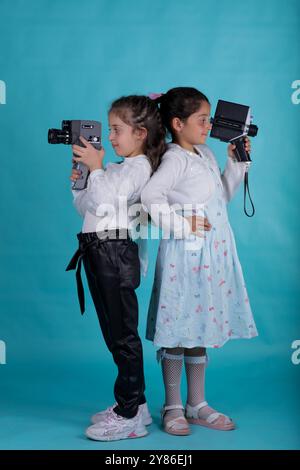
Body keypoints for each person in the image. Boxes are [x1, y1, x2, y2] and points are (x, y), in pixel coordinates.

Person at [141, 87, 258, 435]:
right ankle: (173, 405)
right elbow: (150, 196)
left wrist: (236, 162)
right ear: (178, 123)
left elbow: (221, 195)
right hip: (186, 256)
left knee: (199, 325)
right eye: (202, 120)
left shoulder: (204, 153)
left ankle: (197, 403)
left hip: (213, 254)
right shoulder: (175, 157)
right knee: (178, 328)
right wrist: (179, 223)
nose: (209, 125)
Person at [66, 95, 166, 441]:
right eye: (108, 129)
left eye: (116, 130)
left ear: (140, 133)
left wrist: (96, 169)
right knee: (114, 334)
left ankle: (128, 416)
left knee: (123, 336)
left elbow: (106, 200)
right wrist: (82, 178)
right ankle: (135, 403)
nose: (109, 137)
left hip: (114, 253)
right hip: (98, 251)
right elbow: (90, 206)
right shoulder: (118, 169)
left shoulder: (137, 168)